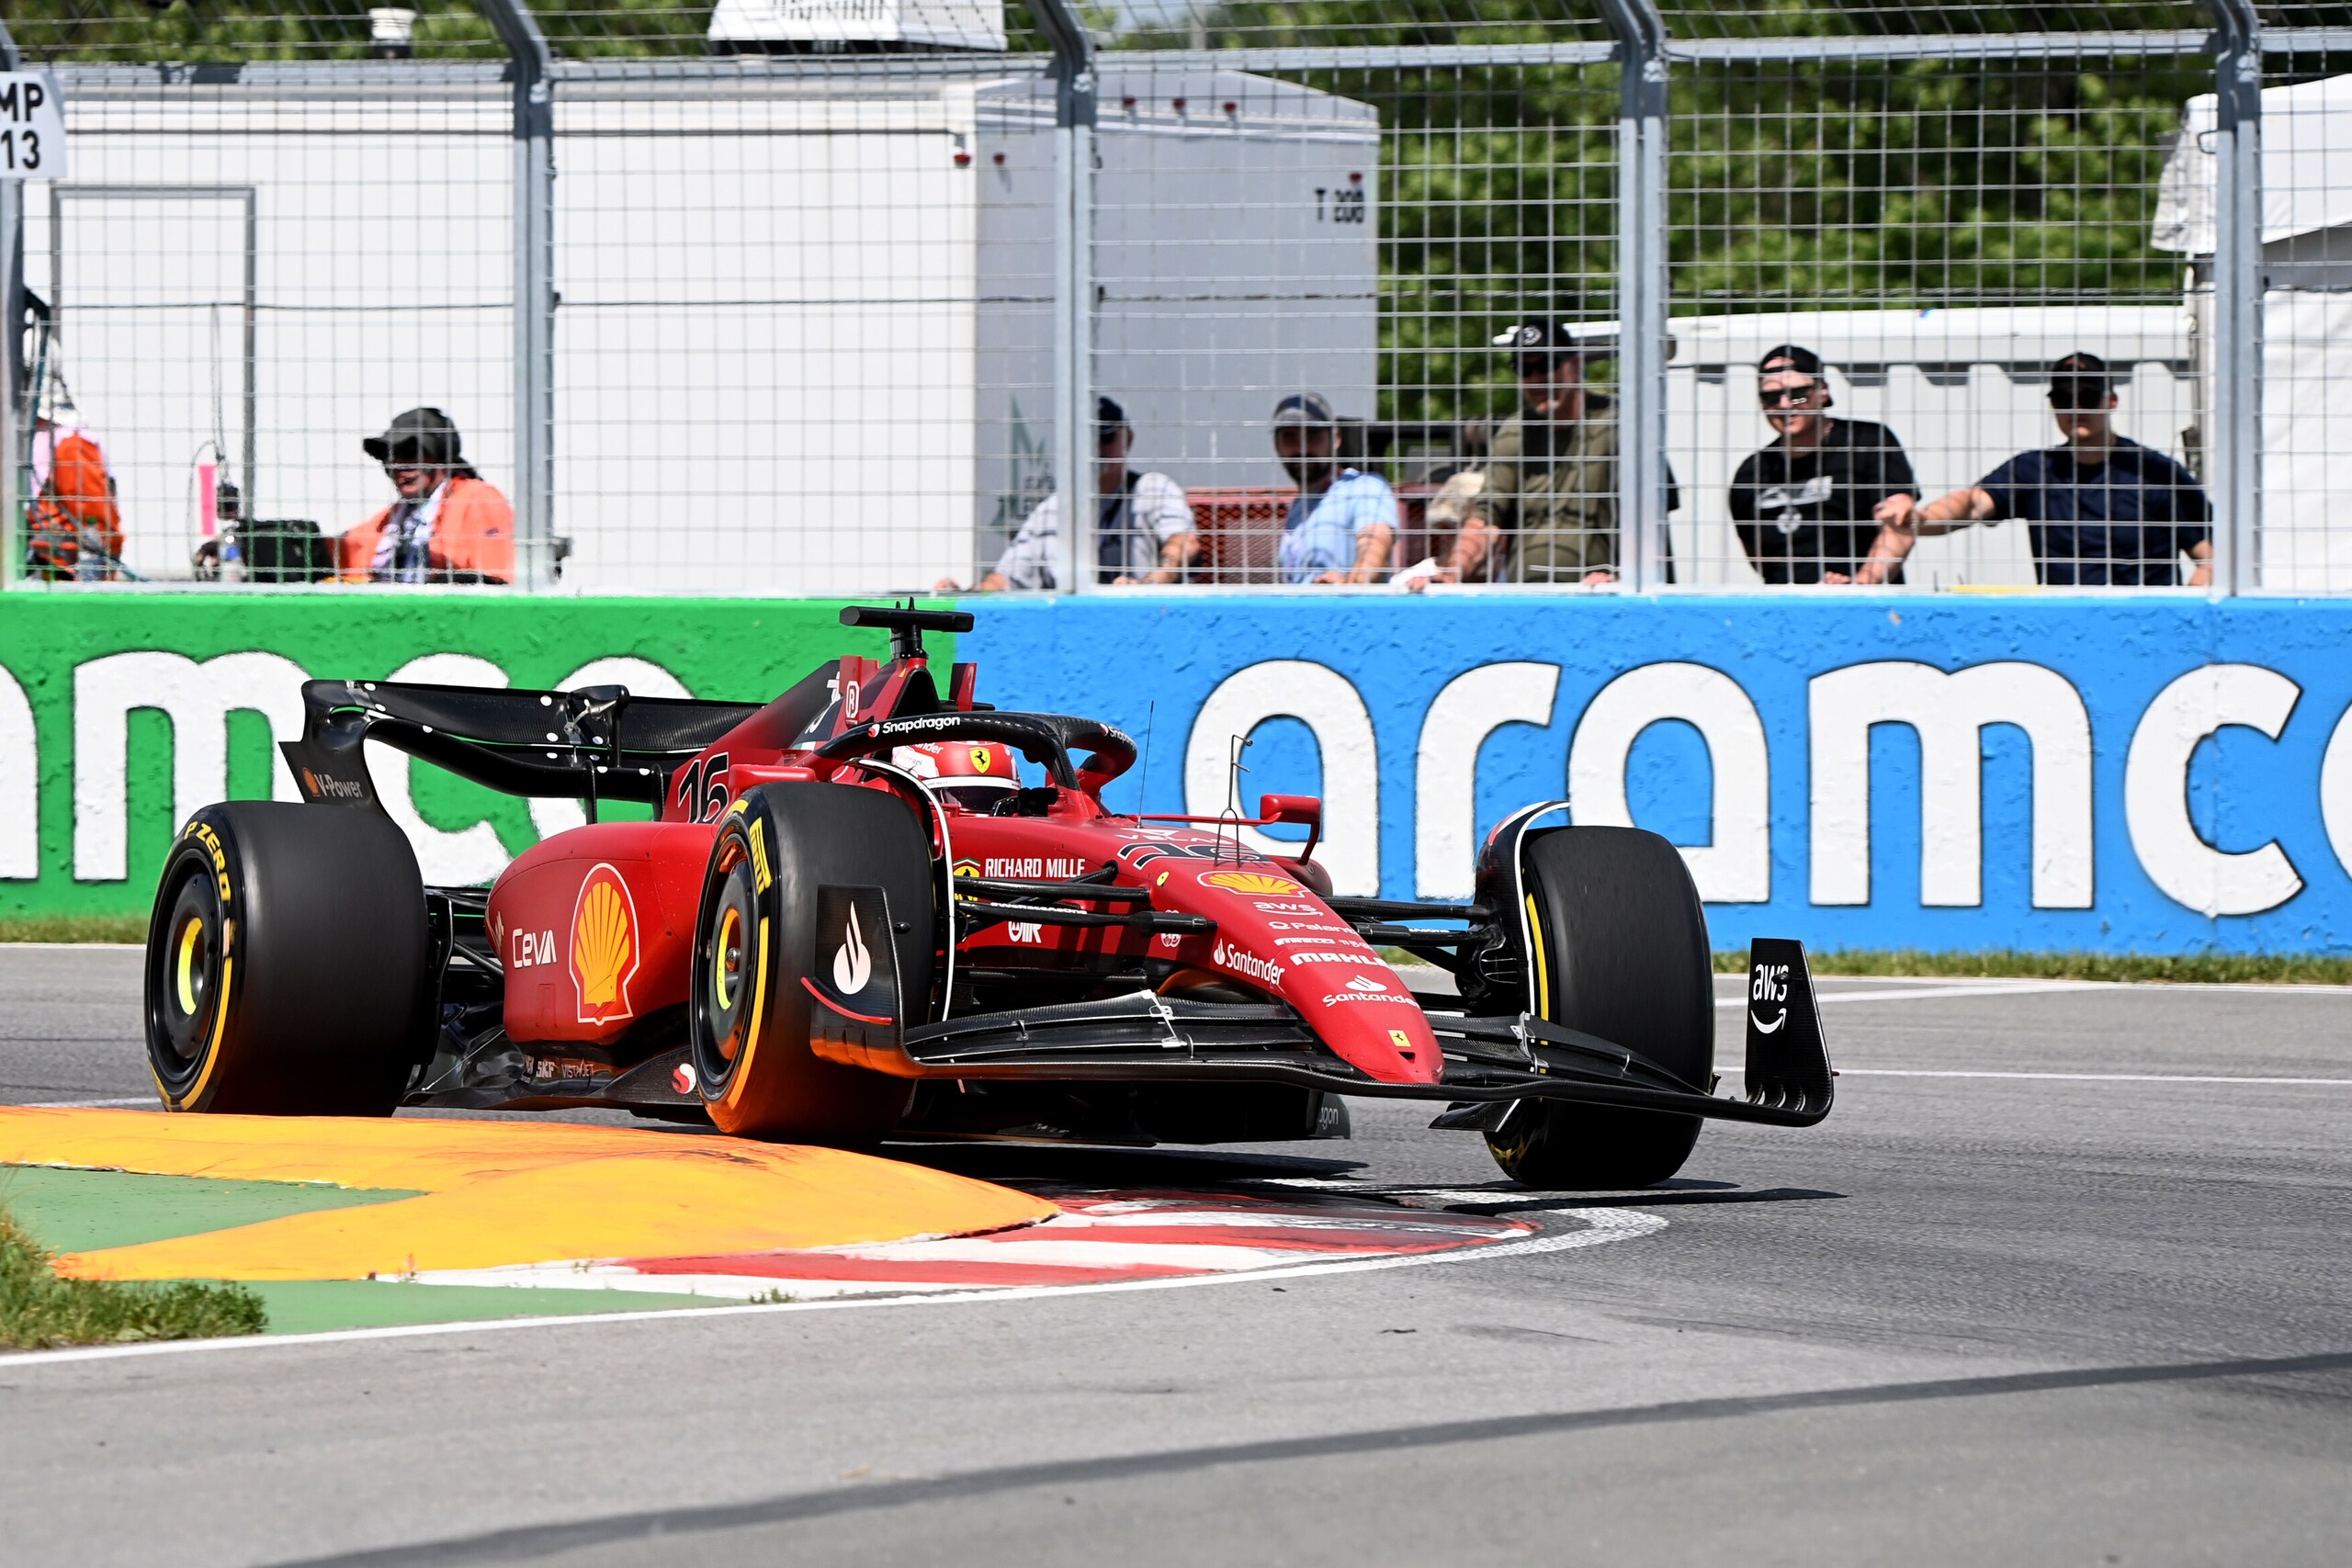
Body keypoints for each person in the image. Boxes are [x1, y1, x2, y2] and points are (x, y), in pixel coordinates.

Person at [1860, 353, 2212, 587]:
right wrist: (1920, 520)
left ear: (2112, 402)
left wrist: (2181, 617)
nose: (2075, 410)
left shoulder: (2154, 472)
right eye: (2063, 400)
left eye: (2087, 399)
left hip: (2144, 625)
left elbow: (2212, 560)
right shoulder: (2035, 469)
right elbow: (1971, 504)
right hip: (2063, 625)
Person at [1442, 320, 1679, 585]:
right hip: (1528, 598)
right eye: (1524, 369)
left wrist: (1624, 579)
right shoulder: (1515, 431)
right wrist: (1451, 574)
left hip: (1603, 597)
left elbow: (1653, 519)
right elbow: (1485, 521)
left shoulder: (1619, 425)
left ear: (1575, 365)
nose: (1536, 379)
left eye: (1546, 365)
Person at [948, 397, 1197, 591]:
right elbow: (1008, 577)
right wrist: (967, 596)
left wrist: (1146, 587)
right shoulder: (1052, 509)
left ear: (1128, 439)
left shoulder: (1153, 489)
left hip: (1143, 620)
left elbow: (1185, 543)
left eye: (1106, 438)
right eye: (1087, 440)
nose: (1096, 450)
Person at [1729, 344, 1917, 584]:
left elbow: (1900, 526)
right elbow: (1757, 555)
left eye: (1798, 393)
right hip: (1786, 610)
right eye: (1772, 397)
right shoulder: (1751, 472)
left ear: (1823, 391)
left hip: (1866, 606)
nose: (1786, 404)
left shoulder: (1868, 442)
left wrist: (1859, 587)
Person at [339, 408, 514, 584]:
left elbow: (499, 580)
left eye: (410, 452)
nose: (398, 465)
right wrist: (317, 546)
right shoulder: (398, 515)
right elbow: (351, 548)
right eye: (389, 456)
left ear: (440, 456)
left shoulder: (477, 499)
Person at [1270, 392, 1395, 584]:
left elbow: (1374, 549)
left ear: (1335, 438)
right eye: (1289, 437)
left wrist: (1349, 587)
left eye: (1312, 435)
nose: (1301, 448)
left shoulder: (1364, 488)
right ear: (1277, 446)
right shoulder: (1299, 507)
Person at [26, 388, 124, 581]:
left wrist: (97, 569)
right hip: (42, 567)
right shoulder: (40, 444)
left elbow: (94, 518)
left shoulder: (71, 447)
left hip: (68, 574)